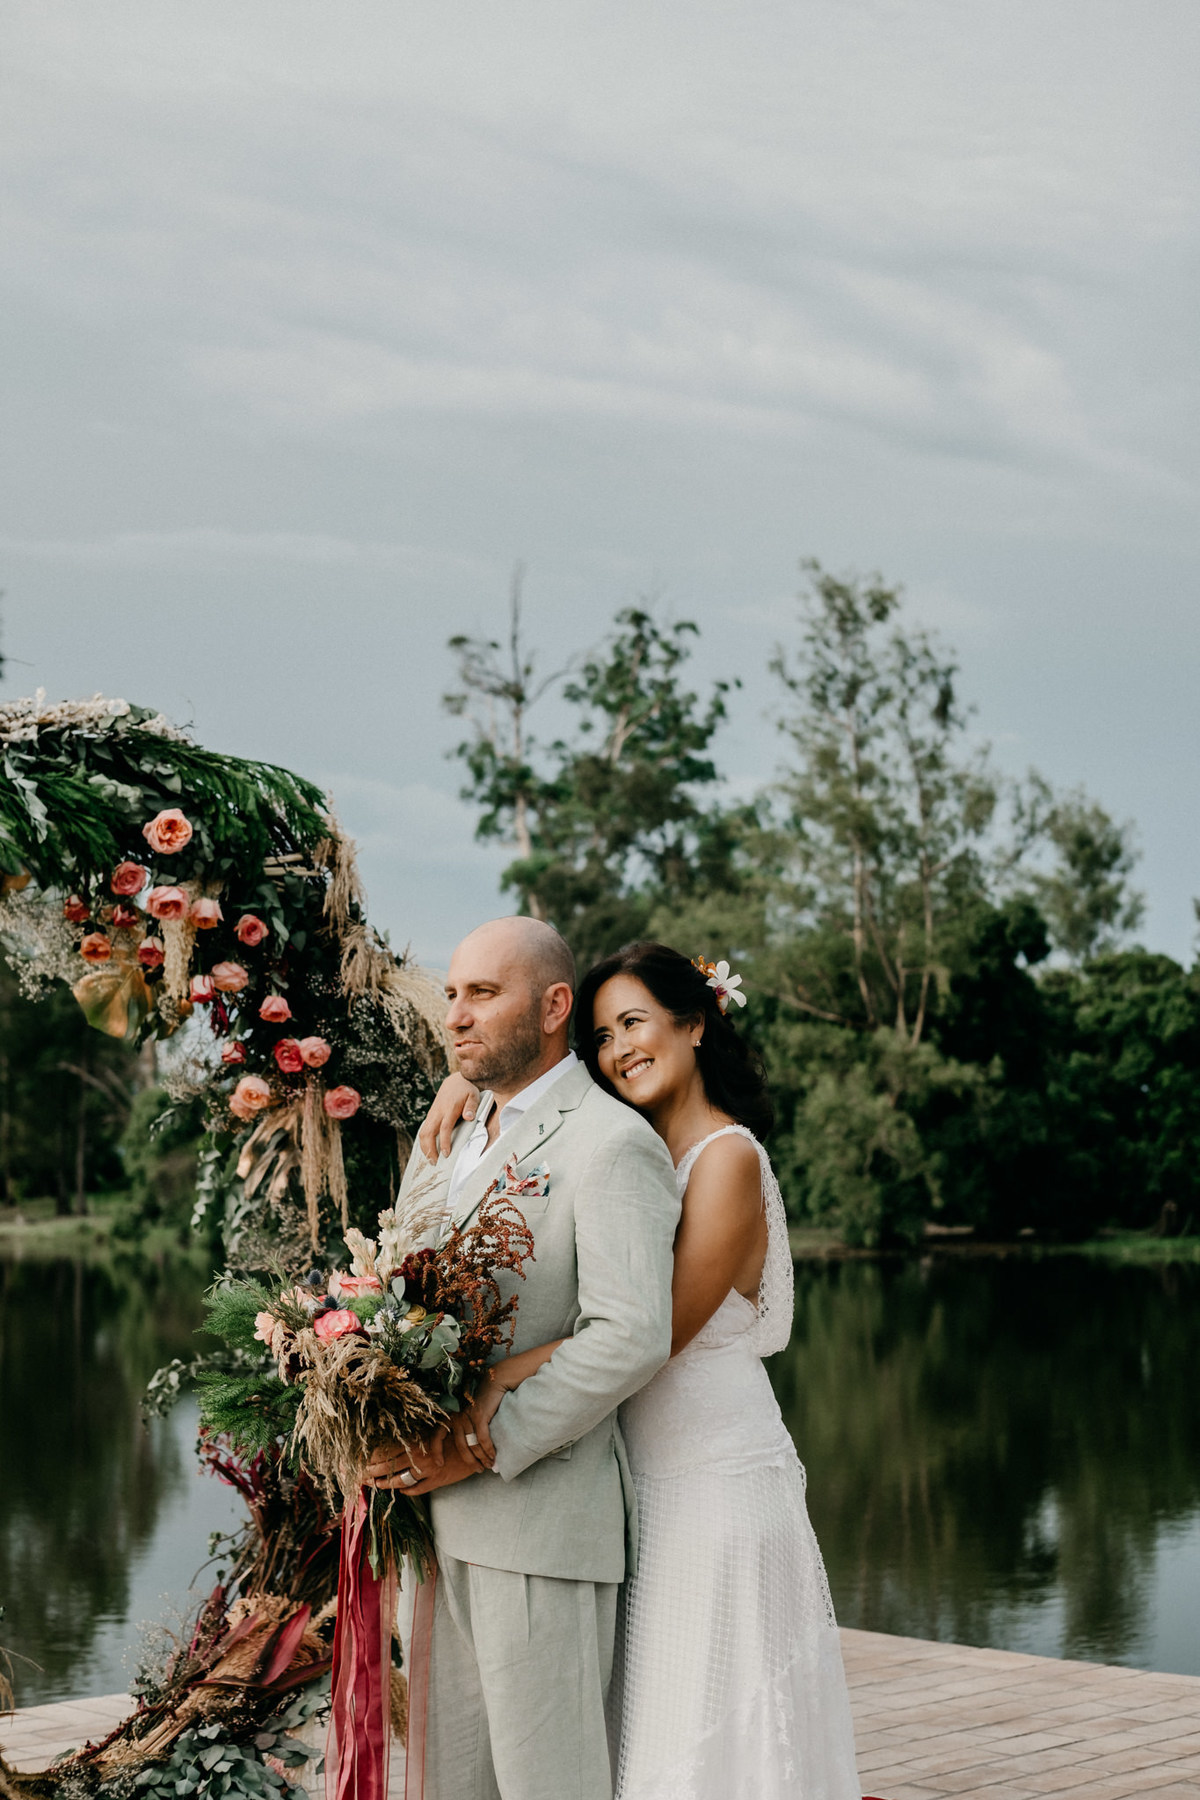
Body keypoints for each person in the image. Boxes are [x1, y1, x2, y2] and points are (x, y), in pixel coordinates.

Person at [419, 941, 861, 1800]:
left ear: (694, 1025)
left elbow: (652, 1332)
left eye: (636, 1024)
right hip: (641, 1484)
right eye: (603, 1035)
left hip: (716, 1484)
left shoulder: (727, 1158)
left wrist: (504, 1375)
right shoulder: (633, 1143)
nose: (619, 1049)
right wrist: (467, 1084)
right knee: (648, 1732)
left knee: (721, 1731)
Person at [363, 917, 680, 1800]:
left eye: (482, 994)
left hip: (538, 1527)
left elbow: (630, 1335)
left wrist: (469, 1445)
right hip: (433, 1533)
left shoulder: (612, 1145)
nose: (455, 1014)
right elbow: (395, 1292)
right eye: (453, 993)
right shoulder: (451, 1136)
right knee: (443, 1784)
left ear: (551, 1007)